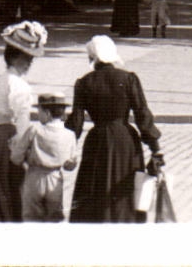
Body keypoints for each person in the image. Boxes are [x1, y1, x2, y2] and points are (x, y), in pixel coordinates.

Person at [68, 35, 163, 222]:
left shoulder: (84, 83)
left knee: (95, 189)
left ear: (92, 58)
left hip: (98, 140)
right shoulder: (128, 79)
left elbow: (76, 122)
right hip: (125, 141)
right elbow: (142, 113)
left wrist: (65, 147)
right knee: (125, 191)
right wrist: (155, 148)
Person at [0, 20, 48, 222]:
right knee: (13, 190)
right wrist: (25, 149)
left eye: (30, 58)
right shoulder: (20, 85)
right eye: (26, 58)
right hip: (11, 142)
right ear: (14, 57)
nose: (29, 62)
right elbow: (22, 120)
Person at [10, 91, 79, 222]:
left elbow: (16, 158)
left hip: (34, 179)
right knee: (54, 218)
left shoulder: (34, 130)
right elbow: (70, 165)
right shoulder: (70, 135)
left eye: (39, 111)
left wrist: (18, 151)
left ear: (47, 113)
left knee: (31, 217)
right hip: (56, 179)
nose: (38, 114)